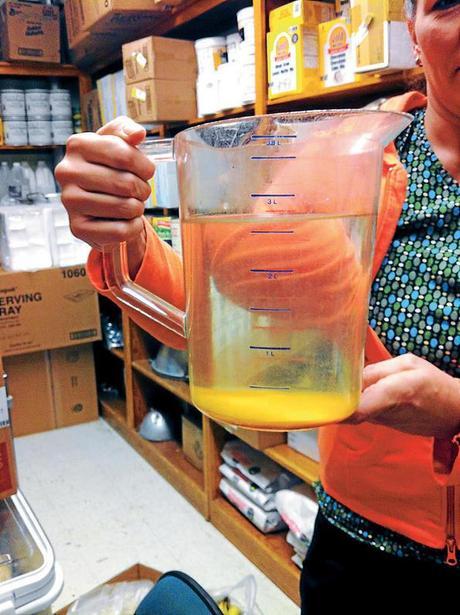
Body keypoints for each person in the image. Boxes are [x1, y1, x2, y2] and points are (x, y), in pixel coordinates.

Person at [56, 0, 459, 611]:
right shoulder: (347, 154)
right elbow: (235, 298)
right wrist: (126, 234)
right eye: (447, 2)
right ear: (414, 35)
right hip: (358, 545)